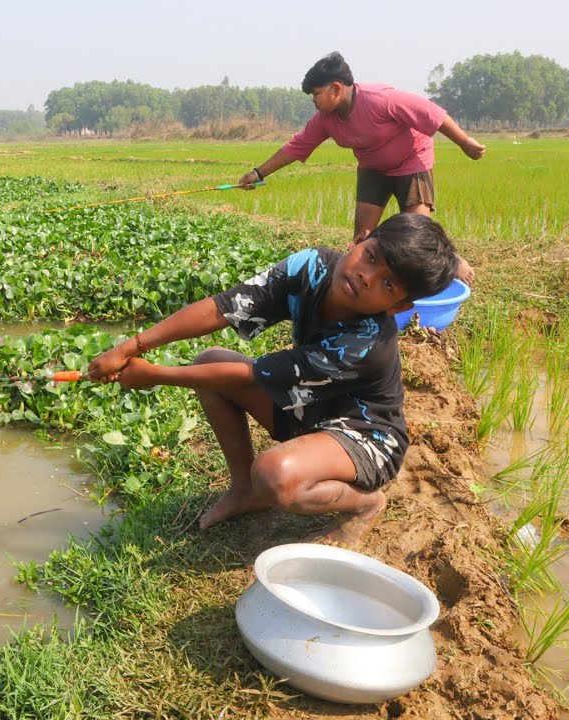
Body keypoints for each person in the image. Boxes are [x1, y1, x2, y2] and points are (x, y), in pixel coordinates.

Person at [86, 213, 458, 546]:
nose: (366, 276)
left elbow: (252, 374)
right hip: (310, 410)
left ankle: (365, 503)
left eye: (388, 284)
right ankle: (245, 491)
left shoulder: (365, 342)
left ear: (399, 307)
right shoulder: (310, 267)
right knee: (212, 362)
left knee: (276, 474)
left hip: (366, 437)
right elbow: (224, 307)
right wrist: (133, 345)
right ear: (360, 239)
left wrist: (157, 375)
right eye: (372, 257)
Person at [239, 52, 482, 285]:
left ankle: (451, 259)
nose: (313, 101)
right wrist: (259, 173)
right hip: (372, 167)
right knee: (362, 237)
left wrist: (465, 142)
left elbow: (431, 114)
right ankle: (365, 282)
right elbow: (298, 146)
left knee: (417, 231)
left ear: (336, 88)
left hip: (412, 160)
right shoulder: (325, 119)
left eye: (316, 94)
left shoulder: (380, 99)